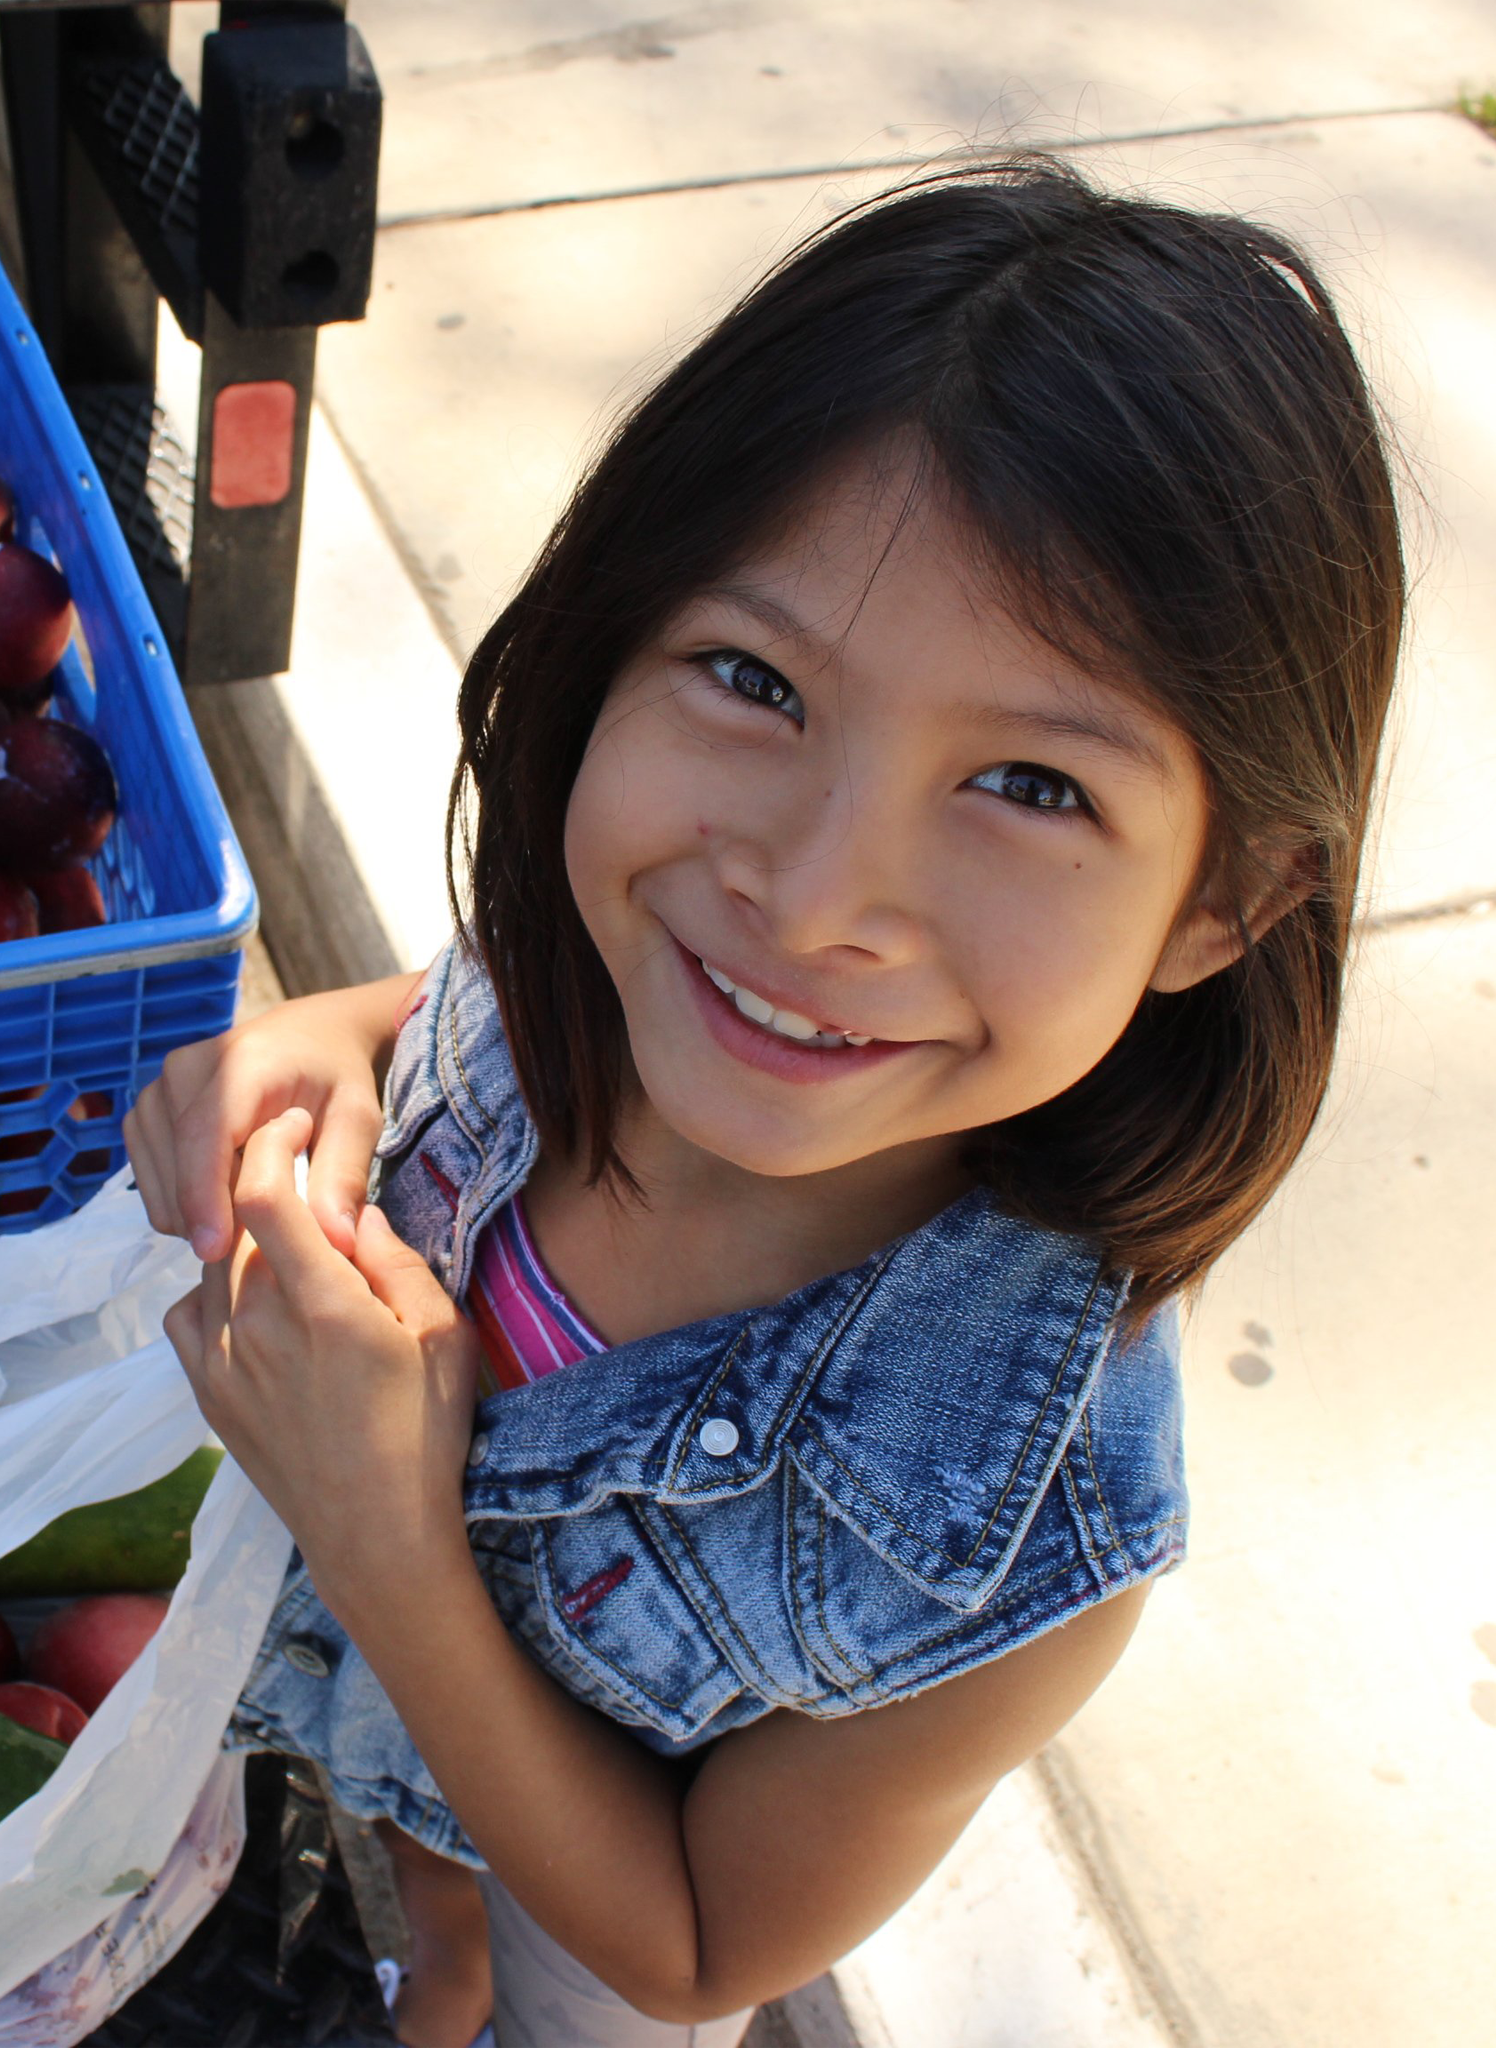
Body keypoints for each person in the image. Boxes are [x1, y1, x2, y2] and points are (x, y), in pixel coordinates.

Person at [125, 159, 1404, 2048]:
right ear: (602, 641)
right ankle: (441, 1951)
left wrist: (382, 1536)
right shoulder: (620, 978)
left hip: (613, 1899)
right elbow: (477, 985)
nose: (811, 904)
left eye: (1036, 788)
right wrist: (352, 1027)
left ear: (1225, 904)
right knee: (433, 1870)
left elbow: (698, 1947)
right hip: (366, 1701)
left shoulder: (1021, 1549)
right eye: (751, 678)